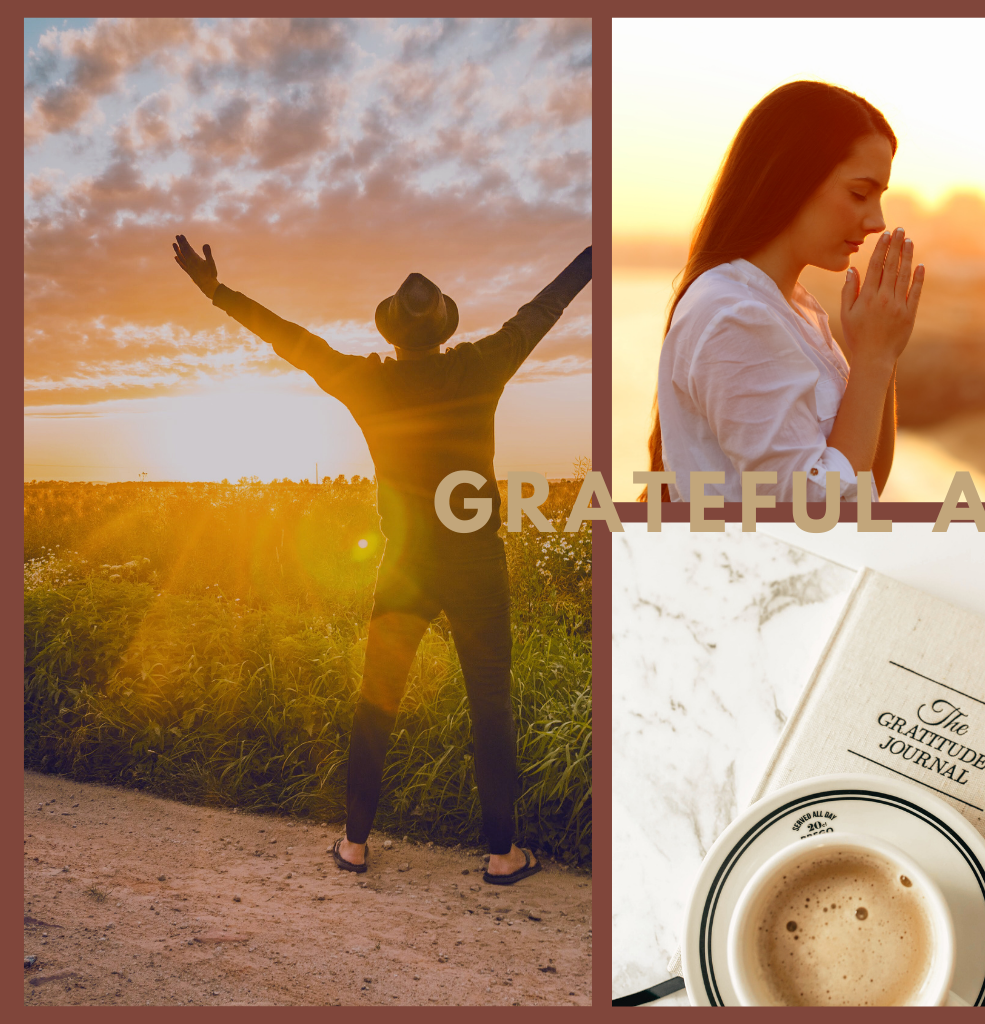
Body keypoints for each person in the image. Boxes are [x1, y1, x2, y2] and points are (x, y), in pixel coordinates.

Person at [172, 235, 592, 884]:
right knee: (491, 707)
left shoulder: (368, 383)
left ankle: (354, 845)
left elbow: (288, 338)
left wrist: (216, 292)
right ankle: (503, 854)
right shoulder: (481, 365)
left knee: (378, 704)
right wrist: (592, 257)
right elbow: (542, 310)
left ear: (394, 335)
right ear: (443, 327)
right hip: (476, 561)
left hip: (406, 565)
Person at [642, 80, 924, 504]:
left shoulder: (795, 308)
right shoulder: (733, 315)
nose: (876, 220)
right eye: (859, 193)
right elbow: (814, 510)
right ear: (790, 180)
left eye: (878, 196)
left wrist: (881, 355)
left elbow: (863, 486)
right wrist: (872, 357)